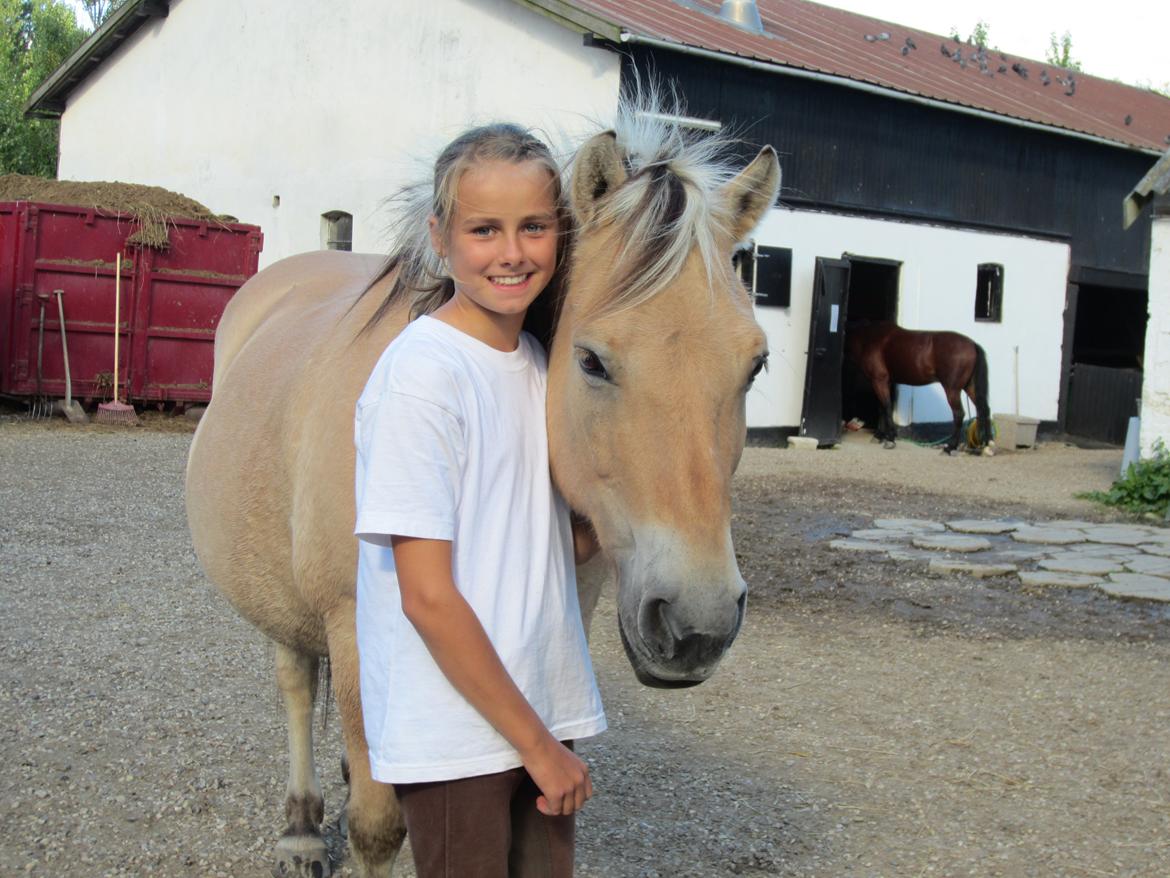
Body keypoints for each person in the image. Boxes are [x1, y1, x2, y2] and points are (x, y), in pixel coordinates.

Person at [353, 123, 607, 877]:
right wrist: (536, 747)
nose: (512, 252)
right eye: (484, 230)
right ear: (440, 236)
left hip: (537, 709)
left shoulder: (537, 364)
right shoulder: (423, 377)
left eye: (534, 227)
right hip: (456, 733)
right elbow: (426, 596)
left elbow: (542, 543)